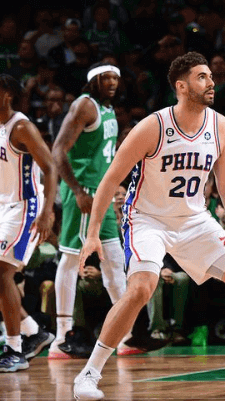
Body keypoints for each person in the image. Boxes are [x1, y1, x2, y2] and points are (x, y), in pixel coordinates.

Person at [71, 53, 225, 399]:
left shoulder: (220, 126)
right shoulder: (153, 127)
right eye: (202, 77)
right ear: (181, 86)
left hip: (193, 219)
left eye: (210, 76)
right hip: (147, 219)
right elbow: (109, 180)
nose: (211, 83)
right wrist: (92, 234)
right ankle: (89, 373)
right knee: (142, 289)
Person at [49, 65, 135, 358]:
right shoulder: (85, 105)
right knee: (72, 259)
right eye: (106, 78)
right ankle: (61, 336)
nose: (112, 82)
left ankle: (125, 333)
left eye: (116, 78)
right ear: (94, 81)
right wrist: (77, 191)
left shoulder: (108, 108)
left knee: (113, 258)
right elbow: (58, 150)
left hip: (102, 193)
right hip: (84, 192)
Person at [0, 75, 57, 372]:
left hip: (25, 208)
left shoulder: (21, 126)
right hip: (3, 207)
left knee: (1, 274)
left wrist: (47, 211)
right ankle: (34, 332)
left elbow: (50, 167)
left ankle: (14, 349)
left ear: (7, 94)